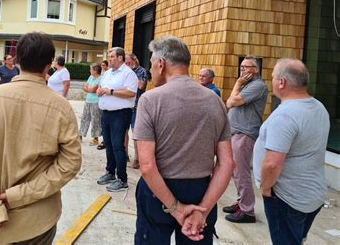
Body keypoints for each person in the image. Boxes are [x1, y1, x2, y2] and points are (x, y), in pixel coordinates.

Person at [0, 32, 82, 245]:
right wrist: (19, 195)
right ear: (48, 65)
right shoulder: (60, 107)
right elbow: (70, 163)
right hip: (36, 221)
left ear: (18, 60)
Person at [134, 36, 234, 244]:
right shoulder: (214, 101)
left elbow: (146, 165)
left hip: (157, 191)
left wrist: (175, 209)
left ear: (161, 64)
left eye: (152, 63)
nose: (150, 70)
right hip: (202, 191)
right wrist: (203, 211)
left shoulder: (150, 100)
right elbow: (227, 163)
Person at [253, 59, 329, 245]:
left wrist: (265, 190)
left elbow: (272, 163)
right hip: (312, 195)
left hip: (287, 199)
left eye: (272, 77)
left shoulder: (285, 115)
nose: (271, 81)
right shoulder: (319, 107)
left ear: (282, 82)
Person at [224, 56, 268, 223]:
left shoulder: (257, 86)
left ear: (255, 70)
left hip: (245, 134)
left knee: (241, 173)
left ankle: (247, 211)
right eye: (241, 67)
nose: (242, 70)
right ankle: (241, 202)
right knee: (236, 171)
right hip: (237, 132)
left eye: (246, 67)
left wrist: (236, 84)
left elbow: (231, 102)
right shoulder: (247, 85)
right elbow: (230, 101)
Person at [96, 47, 138, 192]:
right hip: (106, 113)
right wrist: (99, 91)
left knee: (118, 146)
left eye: (112, 56)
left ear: (120, 58)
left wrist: (111, 91)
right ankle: (110, 173)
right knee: (108, 144)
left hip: (120, 115)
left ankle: (122, 179)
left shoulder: (128, 74)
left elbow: (131, 93)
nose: (110, 58)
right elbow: (101, 87)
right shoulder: (107, 73)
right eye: (109, 56)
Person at [124, 53, 148, 169]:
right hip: (124, 105)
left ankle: (137, 158)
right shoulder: (123, 71)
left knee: (135, 134)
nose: (126, 64)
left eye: (128, 62)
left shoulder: (141, 71)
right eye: (125, 63)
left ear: (134, 61)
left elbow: (141, 86)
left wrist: (130, 74)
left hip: (137, 106)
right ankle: (125, 154)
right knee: (123, 132)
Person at [80, 63, 103, 146]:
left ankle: (95, 138)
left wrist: (89, 88)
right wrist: (89, 89)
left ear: (95, 70)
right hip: (88, 100)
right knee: (84, 117)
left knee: (95, 119)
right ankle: (81, 134)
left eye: (91, 69)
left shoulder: (101, 78)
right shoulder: (90, 77)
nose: (90, 70)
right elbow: (84, 87)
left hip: (96, 102)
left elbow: (93, 89)